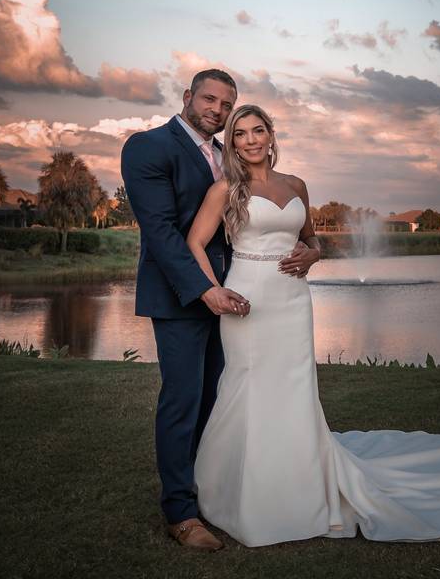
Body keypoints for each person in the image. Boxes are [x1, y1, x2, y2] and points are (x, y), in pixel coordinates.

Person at [186, 104, 440, 548]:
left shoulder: (296, 184)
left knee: (295, 387)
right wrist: (213, 291)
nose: (251, 140)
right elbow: (194, 243)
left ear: (272, 135)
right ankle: (237, 488)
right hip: (247, 298)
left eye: (259, 130)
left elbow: (311, 238)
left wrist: (314, 253)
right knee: (247, 383)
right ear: (233, 143)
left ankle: (300, 482)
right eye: (240, 134)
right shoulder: (224, 189)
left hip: (293, 298)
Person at [120, 69, 251, 550]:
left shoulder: (226, 157)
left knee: (216, 397)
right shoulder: (148, 146)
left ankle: (204, 489)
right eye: (210, 99)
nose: (217, 110)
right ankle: (179, 512)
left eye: (226, 104)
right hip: (180, 297)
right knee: (183, 400)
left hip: (228, 294)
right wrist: (203, 290)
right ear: (188, 97)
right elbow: (161, 232)